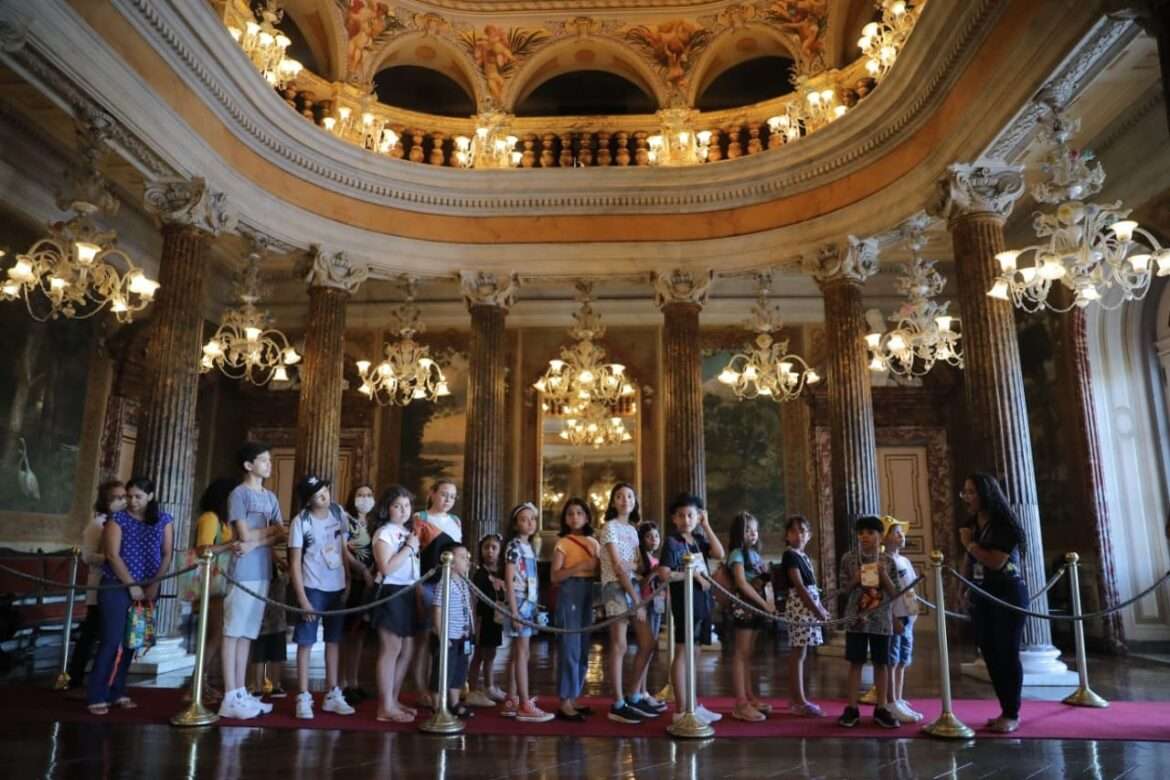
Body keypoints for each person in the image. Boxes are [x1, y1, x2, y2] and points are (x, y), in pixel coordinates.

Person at [86, 476, 173, 715]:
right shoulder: (118, 520)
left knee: (131, 641)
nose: (132, 501)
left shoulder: (163, 520)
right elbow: (113, 556)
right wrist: (131, 585)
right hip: (116, 586)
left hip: (148, 587)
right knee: (112, 641)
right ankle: (97, 693)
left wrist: (155, 584)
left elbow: (167, 553)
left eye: (138, 497)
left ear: (151, 497)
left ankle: (118, 690)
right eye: (129, 496)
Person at [960, 472, 1029, 734]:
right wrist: (962, 588)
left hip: (1007, 594)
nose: (966, 497)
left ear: (985, 494)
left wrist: (969, 545)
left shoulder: (1004, 525)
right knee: (989, 653)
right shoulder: (973, 523)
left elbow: (996, 562)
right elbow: (970, 561)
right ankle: (1004, 709)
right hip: (982, 594)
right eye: (965, 492)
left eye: (971, 492)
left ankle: (1012, 712)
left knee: (1007, 654)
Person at [220, 441, 285, 720]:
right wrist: (258, 537)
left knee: (247, 632)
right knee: (233, 631)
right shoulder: (239, 494)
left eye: (270, 460)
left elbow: (281, 532)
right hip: (242, 570)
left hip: (261, 567)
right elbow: (243, 535)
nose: (269, 464)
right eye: (263, 460)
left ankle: (241, 690)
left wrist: (255, 541)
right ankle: (229, 693)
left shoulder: (270, 498)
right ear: (249, 465)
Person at [288, 474, 359, 720]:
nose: (325, 496)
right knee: (306, 641)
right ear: (308, 500)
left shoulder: (338, 513)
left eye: (326, 490)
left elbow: (342, 548)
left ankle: (332, 692)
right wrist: (302, 599)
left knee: (334, 640)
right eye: (318, 494)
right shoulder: (301, 521)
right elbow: (294, 562)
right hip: (312, 586)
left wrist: (348, 579)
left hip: (336, 586)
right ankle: (304, 695)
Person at [599, 483, 663, 724]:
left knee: (647, 642)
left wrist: (632, 569)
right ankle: (617, 703)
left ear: (634, 501)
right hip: (615, 588)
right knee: (620, 645)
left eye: (629, 496)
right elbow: (618, 566)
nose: (625, 500)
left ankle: (635, 695)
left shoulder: (634, 531)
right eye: (619, 496)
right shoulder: (609, 527)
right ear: (613, 502)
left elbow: (638, 565)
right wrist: (636, 600)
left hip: (635, 587)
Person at [662, 493, 725, 726]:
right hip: (684, 600)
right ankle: (680, 708)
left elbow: (719, 553)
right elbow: (665, 572)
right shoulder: (672, 542)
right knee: (682, 651)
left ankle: (693, 703)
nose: (686, 519)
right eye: (681, 515)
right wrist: (695, 576)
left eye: (691, 515)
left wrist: (706, 525)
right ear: (674, 519)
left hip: (702, 600)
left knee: (695, 651)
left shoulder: (698, 539)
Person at [837, 514, 900, 729]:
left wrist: (884, 576)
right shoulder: (848, 559)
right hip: (856, 618)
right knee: (855, 661)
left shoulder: (888, 561)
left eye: (870, 533)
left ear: (880, 537)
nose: (865, 537)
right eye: (861, 533)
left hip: (881, 619)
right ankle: (852, 707)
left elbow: (896, 593)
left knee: (881, 663)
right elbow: (844, 589)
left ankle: (881, 707)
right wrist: (856, 578)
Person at [67, 480, 125, 694]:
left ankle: (97, 679)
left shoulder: (121, 522)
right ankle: (76, 679)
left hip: (115, 584)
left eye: (123, 496)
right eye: (116, 497)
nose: (121, 501)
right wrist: (114, 558)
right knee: (92, 634)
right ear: (105, 500)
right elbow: (88, 556)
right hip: (99, 584)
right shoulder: (97, 524)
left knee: (100, 634)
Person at [370, 484, 421, 722]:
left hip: (408, 592)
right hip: (391, 592)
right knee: (391, 649)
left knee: (407, 649)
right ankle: (385, 707)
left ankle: (394, 698)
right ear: (387, 509)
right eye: (397, 506)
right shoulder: (384, 533)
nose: (403, 510)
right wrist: (410, 547)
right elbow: (387, 567)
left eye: (407, 505)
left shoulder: (408, 532)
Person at [409, 479, 461, 707]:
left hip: (451, 586)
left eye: (452, 496)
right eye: (444, 494)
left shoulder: (455, 521)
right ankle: (421, 690)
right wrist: (417, 585)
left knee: (445, 641)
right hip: (428, 584)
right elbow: (413, 556)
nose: (448, 500)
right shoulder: (421, 518)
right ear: (432, 493)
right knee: (424, 640)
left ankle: (439, 688)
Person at [501, 502, 554, 722]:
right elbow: (510, 579)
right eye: (524, 519)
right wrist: (514, 612)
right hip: (519, 603)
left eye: (532, 519)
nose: (530, 523)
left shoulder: (529, 546)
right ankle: (523, 703)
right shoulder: (513, 546)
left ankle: (513, 698)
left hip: (529, 603)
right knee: (522, 653)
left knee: (520, 653)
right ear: (515, 524)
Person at [189, 477, 238, 705]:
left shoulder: (226, 521)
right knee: (214, 635)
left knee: (217, 635)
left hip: (223, 582)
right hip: (212, 584)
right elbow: (203, 550)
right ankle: (197, 684)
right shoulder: (210, 518)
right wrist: (231, 545)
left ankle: (203, 682)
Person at [550, 497, 599, 721]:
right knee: (569, 647)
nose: (575, 517)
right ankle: (564, 701)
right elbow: (555, 576)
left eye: (579, 513)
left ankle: (574, 695)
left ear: (587, 517)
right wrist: (580, 566)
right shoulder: (563, 543)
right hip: (570, 591)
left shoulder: (594, 542)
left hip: (589, 592)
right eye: (570, 513)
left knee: (582, 648)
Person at [725, 512, 776, 722]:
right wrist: (764, 604)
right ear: (739, 532)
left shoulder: (754, 554)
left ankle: (749, 695)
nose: (753, 534)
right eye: (748, 530)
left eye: (755, 529)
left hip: (756, 606)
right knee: (741, 653)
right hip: (745, 605)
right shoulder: (737, 553)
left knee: (749, 654)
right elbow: (741, 582)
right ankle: (740, 702)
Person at [781, 514, 829, 717]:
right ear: (787, 535)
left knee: (801, 653)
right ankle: (799, 700)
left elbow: (810, 588)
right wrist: (816, 609)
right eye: (793, 531)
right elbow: (799, 586)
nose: (798, 535)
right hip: (801, 607)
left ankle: (795, 698)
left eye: (802, 531)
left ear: (808, 535)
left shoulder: (804, 557)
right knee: (798, 654)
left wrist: (819, 606)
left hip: (809, 605)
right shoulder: (790, 555)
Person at [881, 515, 923, 724]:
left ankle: (898, 696)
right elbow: (882, 594)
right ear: (885, 537)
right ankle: (891, 701)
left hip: (907, 616)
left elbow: (910, 588)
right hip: (894, 616)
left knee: (903, 659)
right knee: (892, 659)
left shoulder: (904, 560)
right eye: (896, 532)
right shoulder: (884, 561)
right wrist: (891, 616)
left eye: (901, 533)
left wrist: (914, 613)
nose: (901, 536)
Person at [430, 543, 476, 719]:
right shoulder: (445, 583)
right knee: (442, 671)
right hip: (448, 636)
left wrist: (471, 631)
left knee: (459, 670)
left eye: (467, 557)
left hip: (463, 635)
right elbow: (437, 610)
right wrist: (442, 634)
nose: (467, 561)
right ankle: (436, 706)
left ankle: (454, 702)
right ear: (449, 560)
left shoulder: (464, 582)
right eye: (462, 557)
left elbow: (468, 608)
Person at [340, 484, 376, 705]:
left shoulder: (374, 524)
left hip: (370, 583)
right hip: (352, 581)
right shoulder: (346, 520)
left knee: (360, 635)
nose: (365, 499)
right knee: (347, 635)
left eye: (369, 495)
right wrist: (360, 569)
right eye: (360, 494)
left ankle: (354, 681)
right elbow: (342, 549)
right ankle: (342, 683)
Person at [466, 533, 506, 707]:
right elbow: (475, 598)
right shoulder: (480, 574)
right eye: (486, 547)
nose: (490, 551)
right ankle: (472, 689)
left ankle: (489, 686)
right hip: (483, 618)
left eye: (494, 548)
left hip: (496, 618)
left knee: (491, 653)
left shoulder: (502, 572)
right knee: (479, 655)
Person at [632, 521, 665, 705]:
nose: (654, 540)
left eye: (656, 536)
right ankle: (640, 691)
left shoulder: (656, 559)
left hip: (657, 604)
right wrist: (653, 574)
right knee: (646, 647)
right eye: (649, 536)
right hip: (646, 605)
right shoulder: (640, 560)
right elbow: (640, 586)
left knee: (650, 649)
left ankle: (644, 690)